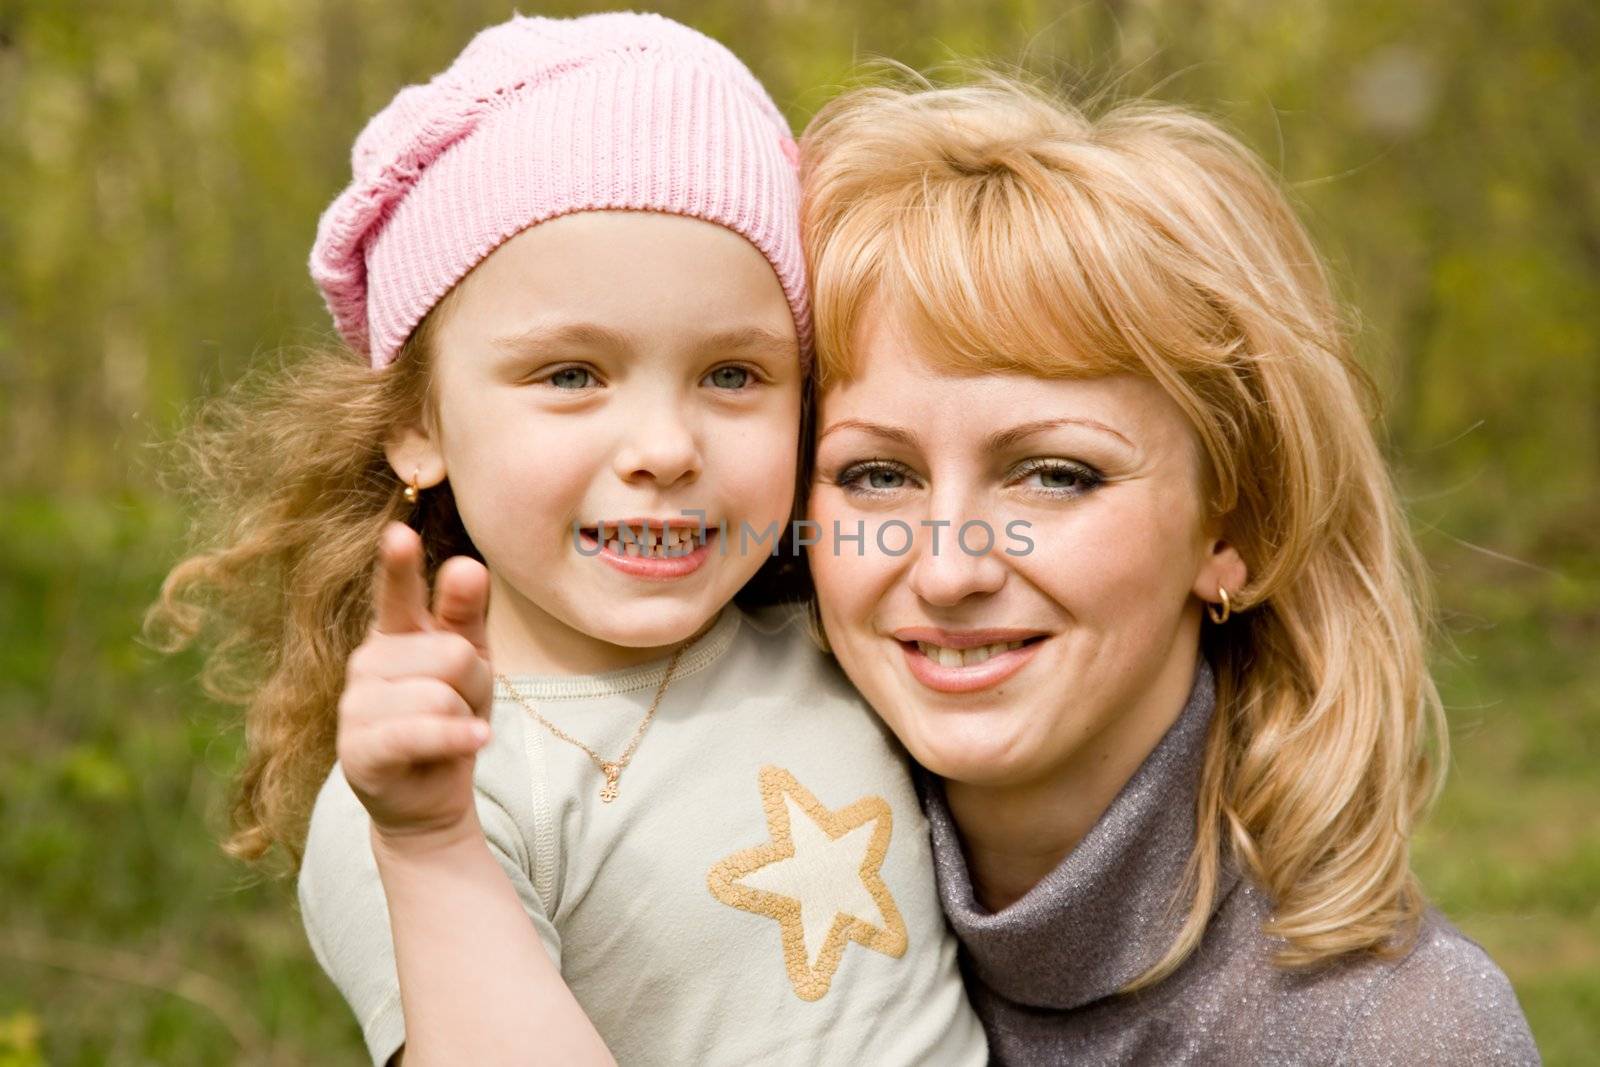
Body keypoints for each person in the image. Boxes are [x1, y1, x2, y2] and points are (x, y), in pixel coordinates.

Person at [144, 14, 986, 1066]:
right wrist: (432, 846)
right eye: (571, 375)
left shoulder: (836, 637)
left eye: (733, 374)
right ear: (416, 421)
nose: (665, 446)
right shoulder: (434, 791)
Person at [797, 73, 1541, 1064]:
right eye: (875, 474)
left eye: (1054, 475)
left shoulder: (1391, 1030)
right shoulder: (710, 906)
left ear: (1234, 526)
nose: (945, 567)